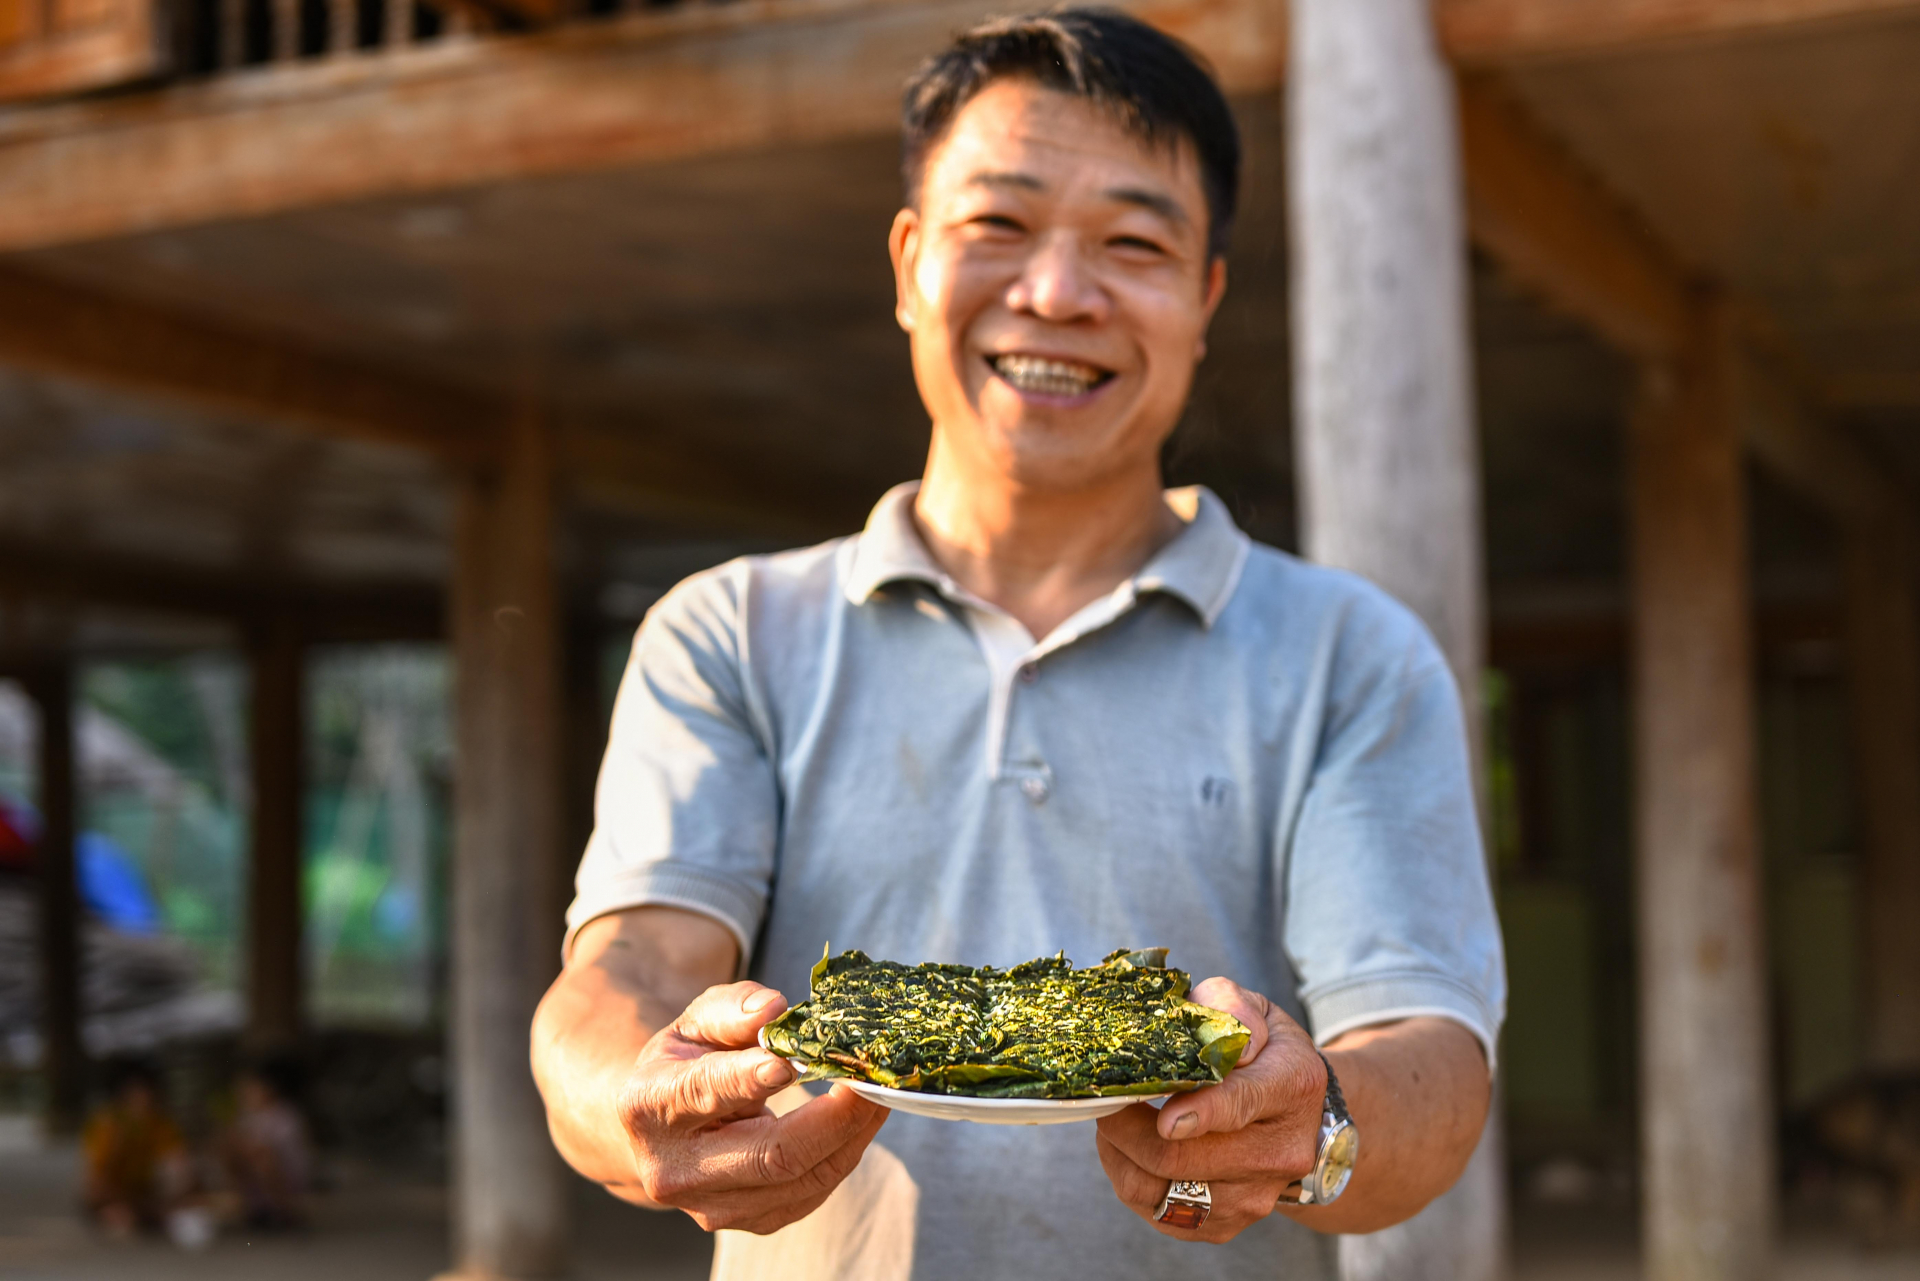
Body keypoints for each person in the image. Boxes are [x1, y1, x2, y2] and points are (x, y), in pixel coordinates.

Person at [531, 10, 1505, 1279]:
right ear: (906, 262)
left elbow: (1426, 1051)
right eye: (999, 225)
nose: (1056, 293)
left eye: (1134, 242)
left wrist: (1311, 1117)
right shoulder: (729, 634)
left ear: (1206, 297)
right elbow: (633, 963)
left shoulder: (1348, 656)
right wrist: (618, 1096)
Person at [83, 1058, 191, 1237]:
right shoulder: (107, 1123)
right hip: (113, 1193)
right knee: (109, 1202)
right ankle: (122, 1214)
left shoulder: (160, 1123)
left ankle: (143, 1214)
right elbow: (94, 1180)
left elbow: (177, 1164)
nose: (142, 1099)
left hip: (148, 1192)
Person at [221, 1058, 312, 1229]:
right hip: (258, 1175)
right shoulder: (247, 1117)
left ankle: (283, 1210)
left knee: (262, 1156)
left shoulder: (285, 1116)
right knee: (230, 1150)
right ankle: (253, 1207)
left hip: (285, 1175)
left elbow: (271, 1149)